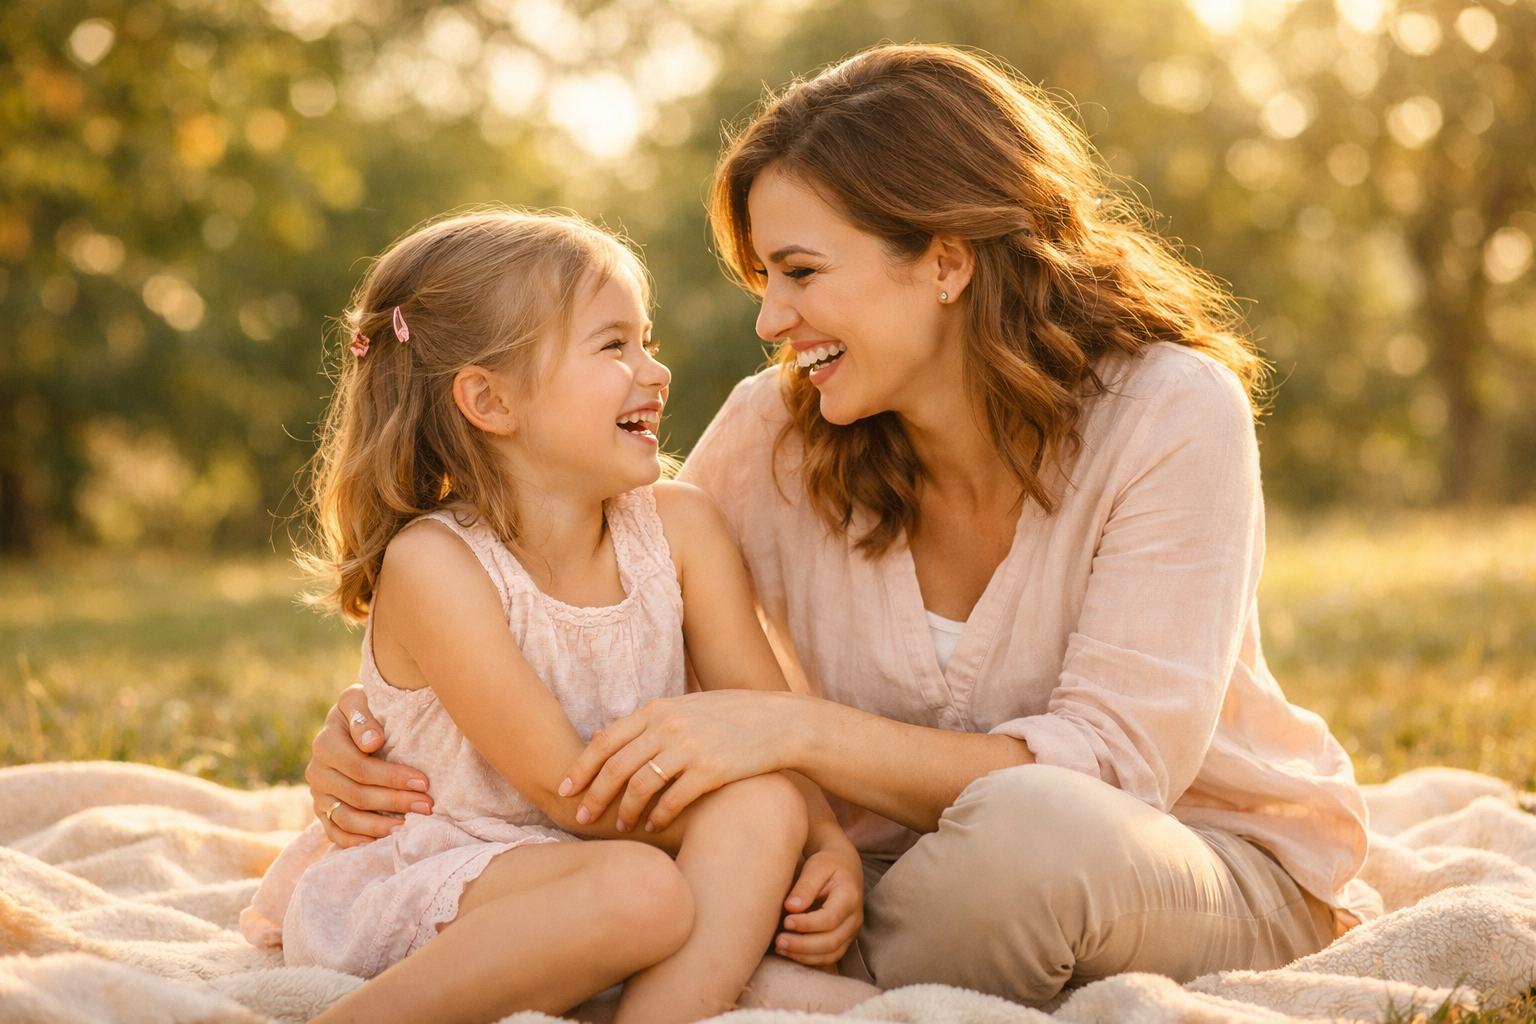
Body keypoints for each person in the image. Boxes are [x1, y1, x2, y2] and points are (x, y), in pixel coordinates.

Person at [305, 45, 1374, 1008]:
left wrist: (798, 738)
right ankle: (761, 979)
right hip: (890, 879)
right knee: (756, 861)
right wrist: (364, 734)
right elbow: (565, 566)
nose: (771, 321)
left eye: (803, 273)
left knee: (1023, 836)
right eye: (766, 278)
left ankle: (770, 978)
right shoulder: (777, 431)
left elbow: (1115, 768)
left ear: (946, 260)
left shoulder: (1169, 410)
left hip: (1181, 857)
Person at [241, 210, 872, 1024]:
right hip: (460, 870)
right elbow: (568, 792)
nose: (656, 371)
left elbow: (768, 723)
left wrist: (824, 847)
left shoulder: (681, 529)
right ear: (489, 401)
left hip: (621, 869)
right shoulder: (436, 564)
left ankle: (656, 1005)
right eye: (614, 347)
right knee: (647, 892)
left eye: (647, 339)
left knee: (770, 813)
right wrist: (747, 846)